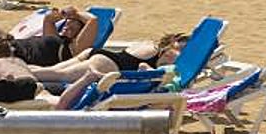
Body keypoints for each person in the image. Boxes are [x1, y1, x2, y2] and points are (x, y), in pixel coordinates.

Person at [27, 32, 190, 89]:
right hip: (107, 64)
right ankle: (12, 74)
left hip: (97, 55)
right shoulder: (156, 50)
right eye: (179, 48)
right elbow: (141, 65)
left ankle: (17, 68)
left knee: (52, 71)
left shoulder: (149, 44)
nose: (178, 54)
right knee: (56, 74)